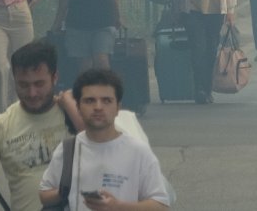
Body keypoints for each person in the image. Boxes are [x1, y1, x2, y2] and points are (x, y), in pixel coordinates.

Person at [39, 69, 170, 210]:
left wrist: (118, 206)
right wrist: (65, 190)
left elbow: (161, 205)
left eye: (106, 101)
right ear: (78, 107)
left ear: (118, 107)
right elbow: (44, 194)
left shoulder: (138, 151)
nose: (98, 107)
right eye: (90, 101)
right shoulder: (68, 148)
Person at [0, 41, 83, 211]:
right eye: (23, 85)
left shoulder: (74, 114)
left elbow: (106, 148)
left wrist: (72, 106)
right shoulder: (1, 125)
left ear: (55, 77)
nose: (32, 93)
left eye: (39, 84)